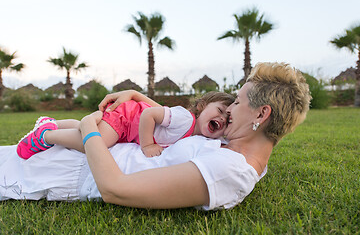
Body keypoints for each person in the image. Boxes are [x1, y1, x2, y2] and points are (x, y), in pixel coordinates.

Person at [0, 62, 311, 210]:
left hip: (77, 169)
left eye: (239, 102)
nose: (230, 109)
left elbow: (114, 188)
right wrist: (136, 94)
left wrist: (88, 128)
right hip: (85, 154)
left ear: (261, 114)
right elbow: (178, 122)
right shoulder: (235, 145)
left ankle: (49, 132)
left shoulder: (230, 169)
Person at [16, 91, 234, 158]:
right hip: (127, 118)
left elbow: (156, 106)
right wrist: (147, 145)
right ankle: (46, 135)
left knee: (86, 128)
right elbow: (149, 113)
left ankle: (53, 123)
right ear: (202, 106)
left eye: (227, 121)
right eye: (220, 111)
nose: (222, 119)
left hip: (128, 127)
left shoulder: (196, 133)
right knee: (95, 144)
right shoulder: (186, 119)